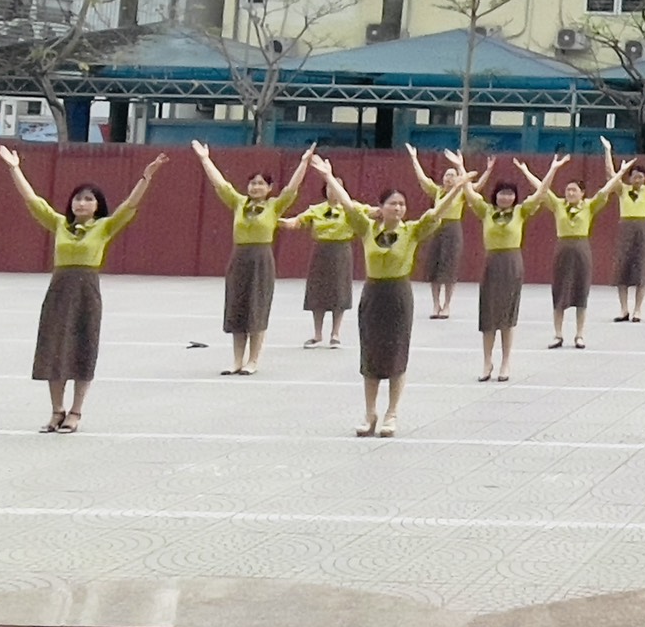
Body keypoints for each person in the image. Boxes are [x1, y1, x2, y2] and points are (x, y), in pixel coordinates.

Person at [0, 145, 166, 433]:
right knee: (54, 348)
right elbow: (32, 200)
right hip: (59, 290)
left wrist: (146, 178)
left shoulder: (105, 227)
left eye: (88, 199)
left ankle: (76, 411)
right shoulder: (59, 224)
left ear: (98, 205)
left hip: (86, 291)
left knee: (82, 349)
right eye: (78, 198)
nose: (81, 203)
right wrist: (14, 168)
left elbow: (129, 206)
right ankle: (56, 410)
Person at [310, 155, 467, 438]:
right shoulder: (367, 228)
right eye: (392, 203)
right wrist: (328, 176)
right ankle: (370, 413)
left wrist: (457, 189)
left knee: (396, 355)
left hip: (398, 296)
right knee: (371, 355)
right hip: (373, 295)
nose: (398, 208)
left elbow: (436, 213)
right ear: (380, 208)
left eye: (401, 204)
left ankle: (392, 413)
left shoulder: (412, 230)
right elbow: (348, 204)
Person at [192, 141, 313, 376]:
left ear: (269, 188)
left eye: (261, 183)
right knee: (237, 307)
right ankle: (237, 360)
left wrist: (303, 163)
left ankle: (253, 360)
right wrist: (205, 159)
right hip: (239, 258)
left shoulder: (274, 206)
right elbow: (220, 184)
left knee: (257, 308)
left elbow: (291, 189)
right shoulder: (239, 202)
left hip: (261, 259)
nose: (256, 187)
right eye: (252, 183)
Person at [467, 156, 557, 382]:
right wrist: (460, 168)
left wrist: (552, 169)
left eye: (510, 194)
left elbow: (542, 192)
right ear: (495, 195)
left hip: (511, 263)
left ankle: (506, 362)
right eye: (502, 193)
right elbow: (469, 193)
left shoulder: (521, 211)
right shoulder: (485, 211)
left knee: (507, 314)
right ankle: (487, 361)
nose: (505, 197)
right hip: (491, 264)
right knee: (488, 315)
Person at [546, 157, 630, 350]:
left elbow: (605, 190)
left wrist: (620, 172)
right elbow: (542, 189)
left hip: (581, 250)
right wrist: (550, 169)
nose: (570, 193)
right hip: (563, 250)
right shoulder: (558, 205)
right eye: (568, 190)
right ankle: (558, 334)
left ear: (582, 193)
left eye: (574, 190)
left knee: (581, 292)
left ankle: (579, 334)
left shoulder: (590, 206)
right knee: (559, 292)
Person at [286, 184, 362, 347]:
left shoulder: (351, 207)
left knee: (339, 291)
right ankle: (317, 334)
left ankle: (335, 334)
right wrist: (279, 221)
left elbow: (373, 213)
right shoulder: (315, 209)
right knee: (318, 291)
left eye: (337, 187)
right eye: (329, 188)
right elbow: (297, 221)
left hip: (341, 251)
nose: (333, 191)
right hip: (321, 251)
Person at [405, 145, 469, 319]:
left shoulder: (461, 192)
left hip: (453, 229)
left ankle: (447, 305)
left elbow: (471, 185)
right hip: (436, 228)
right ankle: (436, 304)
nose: (449, 178)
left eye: (452, 175)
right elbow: (422, 179)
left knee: (450, 267)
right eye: (447, 175)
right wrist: (414, 158)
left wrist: (460, 165)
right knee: (434, 266)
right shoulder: (437, 192)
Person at [602, 136, 645, 321]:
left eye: (641, 176)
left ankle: (638, 310)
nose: (638, 179)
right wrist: (608, 151)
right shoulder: (623, 190)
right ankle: (624, 309)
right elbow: (610, 175)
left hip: (641, 229)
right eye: (635, 175)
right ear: (629, 177)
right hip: (626, 228)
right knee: (622, 269)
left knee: (640, 270)